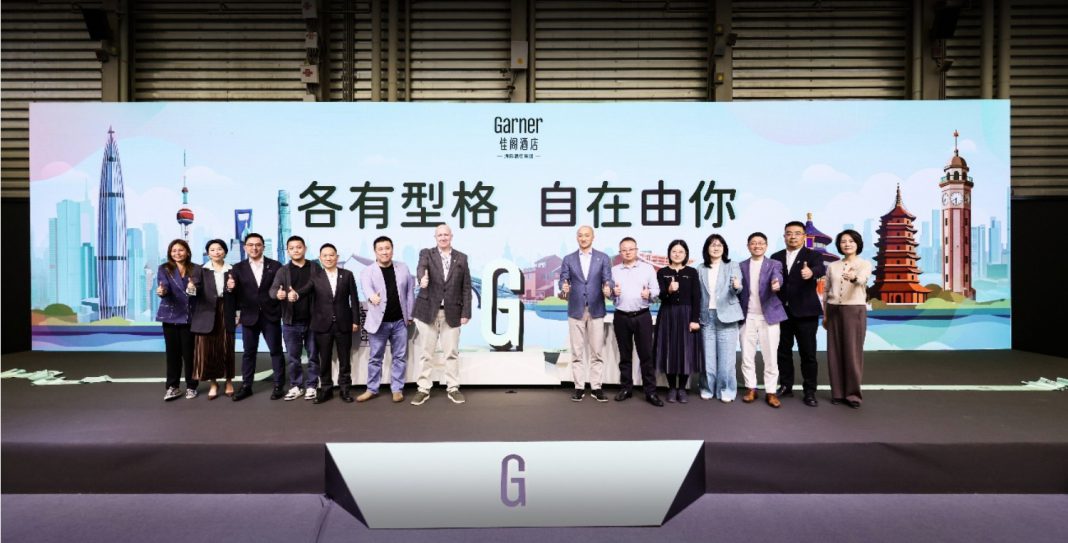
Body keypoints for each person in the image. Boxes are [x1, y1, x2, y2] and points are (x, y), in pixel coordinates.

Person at [410, 224, 473, 406]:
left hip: (452, 313)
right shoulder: (426, 254)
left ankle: (453, 387)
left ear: (451, 236)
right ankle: (423, 389)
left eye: (446, 234)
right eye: (440, 235)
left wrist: (466, 312)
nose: (443, 238)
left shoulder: (461, 258)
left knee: (451, 353)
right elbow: (421, 268)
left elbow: (466, 287)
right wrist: (422, 279)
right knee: (426, 353)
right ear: (435, 237)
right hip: (427, 311)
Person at [771, 221, 827, 407]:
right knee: (783, 352)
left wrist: (811, 272)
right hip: (782, 312)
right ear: (784, 236)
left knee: (808, 354)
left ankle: (810, 391)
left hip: (806, 313)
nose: (793, 236)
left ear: (804, 236)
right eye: (789, 233)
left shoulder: (813, 255)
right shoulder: (776, 257)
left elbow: (821, 269)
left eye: (797, 233)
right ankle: (786, 386)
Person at [558, 225, 613, 402]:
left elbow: (608, 279)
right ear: (577, 238)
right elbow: (563, 279)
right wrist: (563, 286)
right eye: (580, 235)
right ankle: (579, 387)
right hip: (576, 309)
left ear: (593, 237)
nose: (583, 238)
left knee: (597, 351)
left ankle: (596, 387)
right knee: (577, 352)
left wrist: (608, 288)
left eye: (587, 235)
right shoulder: (568, 259)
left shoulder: (603, 258)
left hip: (596, 308)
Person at [229, 233, 285, 401]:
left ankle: (279, 385)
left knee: (276, 351)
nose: (254, 248)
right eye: (251, 245)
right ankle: (246, 386)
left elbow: (281, 288)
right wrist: (230, 288)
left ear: (263, 247)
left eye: (258, 245)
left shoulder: (275, 266)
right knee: (249, 353)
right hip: (249, 316)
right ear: (245, 247)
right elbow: (234, 294)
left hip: (270, 315)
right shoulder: (237, 268)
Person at [359, 236, 415, 403]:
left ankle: (397, 389)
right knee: (375, 358)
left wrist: (409, 315)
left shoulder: (403, 268)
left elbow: (410, 293)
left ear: (392, 249)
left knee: (399, 357)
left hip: (400, 322)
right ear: (375, 252)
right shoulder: (367, 271)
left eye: (387, 248)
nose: (384, 252)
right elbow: (366, 289)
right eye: (381, 249)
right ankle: (372, 389)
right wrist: (372, 297)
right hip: (378, 323)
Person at [737, 233, 787, 408]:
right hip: (747, 317)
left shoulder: (774, 264)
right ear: (748, 246)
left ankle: (771, 392)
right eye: (753, 243)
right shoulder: (741, 265)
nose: (757, 246)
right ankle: (751, 388)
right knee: (747, 355)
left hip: (769, 317)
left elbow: (777, 276)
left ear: (766, 245)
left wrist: (776, 283)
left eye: (760, 243)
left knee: (771, 356)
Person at [610, 237, 662, 407]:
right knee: (624, 356)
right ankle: (626, 388)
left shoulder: (647, 268)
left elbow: (656, 289)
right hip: (621, 316)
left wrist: (650, 294)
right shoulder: (614, 270)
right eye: (624, 250)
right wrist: (613, 292)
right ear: (620, 252)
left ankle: (650, 392)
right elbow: (609, 294)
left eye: (630, 249)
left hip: (642, 316)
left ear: (636, 250)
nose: (627, 252)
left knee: (646, 356)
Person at [823, 230, 871, 409]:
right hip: (833, 309)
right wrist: (825, 315)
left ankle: (853, 395)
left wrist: (854, 277)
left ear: (858, 244)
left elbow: (862, 280)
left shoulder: (864, 264)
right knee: (834, 352)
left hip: (854, 310)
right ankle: (837, 393)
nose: (847, 244)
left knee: (852, 352)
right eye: (843, 241)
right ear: (839, 245)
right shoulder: (832, 266)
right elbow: (826, 291)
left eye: (851, 241)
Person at [309, 243, 361, 404]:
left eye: (331, 255)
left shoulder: (347, 275)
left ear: (337, 257)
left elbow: (354, 299)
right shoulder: (315, 277)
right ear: (320, 258)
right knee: (324, 360)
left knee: (345, 359)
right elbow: (307, 296)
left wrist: (356, 320)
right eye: (325, 255)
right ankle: (326, 389)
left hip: (343, 323)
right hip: (322, 325)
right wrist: (294, 295)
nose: (328, 258)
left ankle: (345, 389)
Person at [270, 235, 320, 401]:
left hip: (312, 320)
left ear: (305, 248)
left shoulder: (315, 267)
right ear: (288, 251)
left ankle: (312, 385)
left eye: (299, 247)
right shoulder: (283, 270)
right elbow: (272, 290)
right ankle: (296, 386)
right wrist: (278, 294)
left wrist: (298, 294)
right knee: (293, 358)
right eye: (292, 248)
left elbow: (319, 287)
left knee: (313, 356)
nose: (296, 250)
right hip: (290, 321)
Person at [653, 239, 703, 404]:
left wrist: (695, 319)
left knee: (685, 350)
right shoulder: (662, 272)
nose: (677, 254)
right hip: (667, 314)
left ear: (686, 254)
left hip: (687, 314)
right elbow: (660, 296)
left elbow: (697, 297)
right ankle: (671, 388)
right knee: (669, 350)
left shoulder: (692, 272)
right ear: (669, 253)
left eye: (681, 251)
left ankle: (682, 388)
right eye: (674, 251)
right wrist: (669, 290)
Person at [697, 233, 743, 402]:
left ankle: (726, 390)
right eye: (712, 245)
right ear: (707, 249)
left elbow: (737, 287)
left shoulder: (732, 265)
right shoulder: (700, 268)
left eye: (719, 245)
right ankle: (707, 388)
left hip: (727, 316)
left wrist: (737, 286)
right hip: (706, 317)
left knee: (727, 360)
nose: (716, 248)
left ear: (724, 248)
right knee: (707, 359)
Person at [190, 239, 237, 400]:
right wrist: (191, 288)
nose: (216, 252)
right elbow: (193, 292)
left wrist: (233, 290)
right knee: (208, 349)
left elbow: (239, 294)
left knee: (227, 347)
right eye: (212, 250)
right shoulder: (201, 270)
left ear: (225, 252)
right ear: (208, 253)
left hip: (227, 310)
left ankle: (229, 381)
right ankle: (213, 383)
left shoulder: (233, 269)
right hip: (206, 312)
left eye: (219, 249)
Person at [156, 239, 201, 401]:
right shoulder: (164, 268)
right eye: (174, 250)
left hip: (189, 316)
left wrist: (192, 289)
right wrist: (162, 291)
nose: (177, 253)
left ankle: (191, 386)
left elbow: (197, 290)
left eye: (181, 250)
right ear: (170, 253)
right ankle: (172, 387)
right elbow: (164, 287)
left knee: (189, 355)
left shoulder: (196, 268)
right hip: (170, 316)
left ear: (187, 252)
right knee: (172, 354)